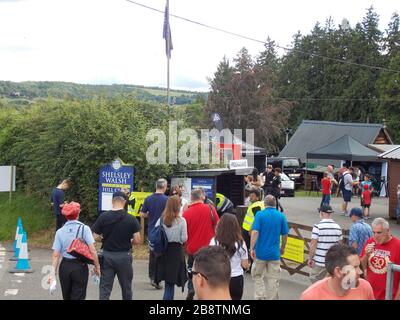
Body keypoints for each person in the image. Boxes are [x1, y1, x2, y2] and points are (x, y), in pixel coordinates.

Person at [92, 191, 141, 300]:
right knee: (126, 288)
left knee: (105, 289)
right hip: (124, 256)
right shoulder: (131, 219)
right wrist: (129, 241)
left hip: (107, 256)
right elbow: (138, 240)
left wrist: (103, 239)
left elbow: (94, 237)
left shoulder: (103, 217)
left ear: (112, 201)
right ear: (124, 202)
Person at [50, 202, 100, 300]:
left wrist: (53, 273)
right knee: (79, 296)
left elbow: (56, 255)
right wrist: (97, 267)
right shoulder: (85, 229)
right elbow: (93, 250)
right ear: (78, 214)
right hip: (80, 266)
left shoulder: (60, 232)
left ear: (66, 216)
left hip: (64, 266)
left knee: (66, 296)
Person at [300, 244, 374, 300]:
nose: (360, 272)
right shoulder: (311, 296)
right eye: (354, 268)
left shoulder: (365, 287)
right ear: (338, 272)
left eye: (359, 266)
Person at [250, 195, 288, 300]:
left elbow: (255, 232)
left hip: (260, 253)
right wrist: (283, 247)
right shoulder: (281, 216)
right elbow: (285, 235)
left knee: (257, 275)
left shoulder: (259, 214)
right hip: (274, 254)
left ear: (264, 204)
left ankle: (260, 296)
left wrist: (251, 248)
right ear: (275, 204)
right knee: (273, 279)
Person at [183, 189, 219, 300]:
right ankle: (206, 293)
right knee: (207, 271)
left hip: (192, 248)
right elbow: (218, 225)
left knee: (192, 269)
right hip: (208, 248)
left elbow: (184, 232)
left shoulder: (186, 213)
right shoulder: (210, 209)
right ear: (201, 197)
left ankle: (191, 288)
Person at [154, 195, 188, 300]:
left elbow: (155, 234)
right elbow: (184, 238)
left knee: (168, 283)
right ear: (178, 206)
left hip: (163, 252)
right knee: (170, 283)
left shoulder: (161, 220)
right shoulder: (182, 221)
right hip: (176, 252)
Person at [210, 214, 249, 300]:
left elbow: (210, 261)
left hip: (219, 278)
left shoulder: (214, 241)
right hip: (236, 278)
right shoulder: (240, 242)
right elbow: (245, 264)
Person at [360, 217, 400, 300]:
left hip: (389, 296)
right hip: (370, 294)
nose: (376, 236)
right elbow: (361, 267)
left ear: (388, 231)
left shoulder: (398, 245)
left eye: (379, 233)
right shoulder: (370, 242)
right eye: (373, 232)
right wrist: (366, 255)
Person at [140, 178, 169, 289]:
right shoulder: (167, 200)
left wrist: (150, 215)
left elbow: (142, 214)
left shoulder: (148, 199)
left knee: (152, 254)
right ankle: (158, 278)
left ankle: (152, 276)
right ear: (164, 187)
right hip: (164, 231)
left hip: (152, 230)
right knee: (162, 254)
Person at [308, 204, 343, 284]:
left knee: (316, 283)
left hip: (319, 262)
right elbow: (340, 246)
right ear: (330, 214)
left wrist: (310, 258)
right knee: (329, 284)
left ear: (322, 213)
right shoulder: (338, 227)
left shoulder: (317, 227)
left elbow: (313, 244)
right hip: (332, 262)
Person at [241, 188, 265, 270]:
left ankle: (251, 266)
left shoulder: (256, 206)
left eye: (252, 196)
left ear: (257, 197)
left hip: (249, 231)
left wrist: (251, 229)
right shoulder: (261, 204)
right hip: (250, 230)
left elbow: (257, 218)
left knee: (249, 248)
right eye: (250, 195)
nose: (250, 197)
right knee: (252, 248)